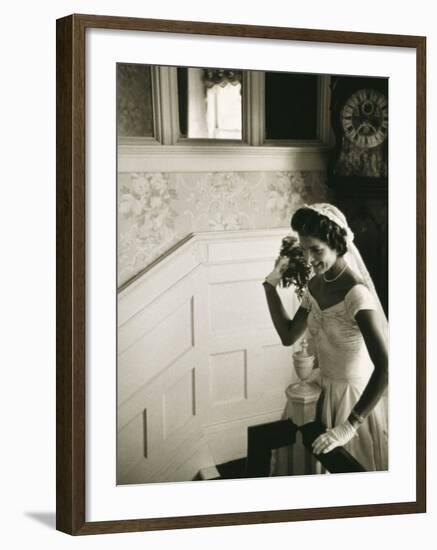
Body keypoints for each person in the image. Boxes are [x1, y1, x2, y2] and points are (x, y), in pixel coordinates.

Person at [263, 203, 388, 471]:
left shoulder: (356, 293)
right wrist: (270, 284)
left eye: (316, 250)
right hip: (322, 392)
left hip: (353, 401)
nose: (308, 259)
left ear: (337, 244)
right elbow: (288, 335)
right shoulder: (315, 285)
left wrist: (349, 426)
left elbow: (386, 367)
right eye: (304, 249)